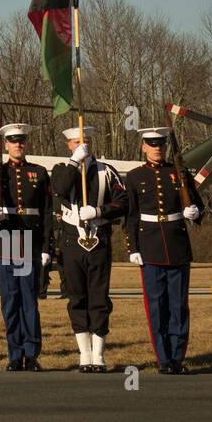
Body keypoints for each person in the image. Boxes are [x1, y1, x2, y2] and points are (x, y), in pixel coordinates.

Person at [126, 127, 205, 374]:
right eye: (152, 144)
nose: (157, 148)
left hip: (177, 245)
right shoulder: (135, 176)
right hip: (149, 247)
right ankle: (163, 358)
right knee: (156, 306)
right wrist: (133, 248)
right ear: (144, 148)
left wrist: (194, 212)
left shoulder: (178, 173)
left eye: (160, 144)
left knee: (178, 306)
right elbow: (131, 216)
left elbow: (198, 205)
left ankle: (177, 358)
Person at [50, 125, 129, 372]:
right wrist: (75, 162)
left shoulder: (107, 171)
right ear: (68, 146)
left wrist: (99, 211)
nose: (80, 146)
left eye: (83, 142)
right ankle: (84, 354)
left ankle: (99, 355)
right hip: (72, 241)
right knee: (77, 297)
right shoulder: (61, 169)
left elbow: (124, 202)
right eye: (75, 143)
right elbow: (60, 189)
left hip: (99, 239)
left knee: (99, 297)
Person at [0, 122, 52, 371]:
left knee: (29, 302)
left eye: (21, 140)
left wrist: (46, 248)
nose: (18, 145)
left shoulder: (39, 173)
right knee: (10, 301)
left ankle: (31, 353)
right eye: (13, 141)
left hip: (30, 244)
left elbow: (46, 215)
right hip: (4, 244)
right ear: (6, 145)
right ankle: (14, 354)